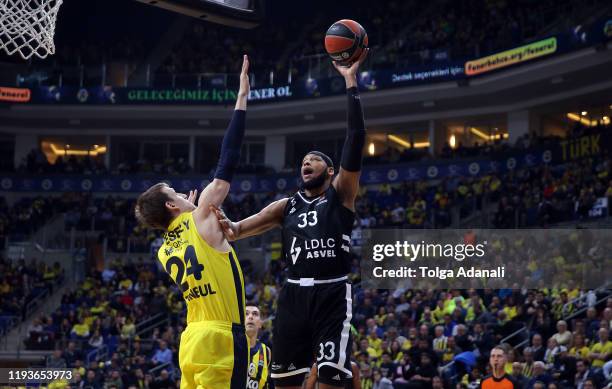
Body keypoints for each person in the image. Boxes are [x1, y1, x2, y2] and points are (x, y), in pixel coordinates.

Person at [213, 49, 369, 389]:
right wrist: (226, 224)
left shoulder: (341, 193)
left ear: (329, 171)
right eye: (303, 161)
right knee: (284, 383)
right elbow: (238, 231)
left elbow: (355, 140)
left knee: (330, 380)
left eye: (314, 160)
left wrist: (350, 82)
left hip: (331, 294)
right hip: (294, 296)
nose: (306, 163)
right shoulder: (286, 206)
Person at [135, 55, 251, 389]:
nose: (185, 193)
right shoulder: (201, 214)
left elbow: (192, 238)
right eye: (175, 192)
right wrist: (241, 98)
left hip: (191, 340)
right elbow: (227, 161)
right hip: (222, 337)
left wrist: (191, 210)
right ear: (172, 204)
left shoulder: (163, 250)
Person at [246, 305, 272, 389]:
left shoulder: (267, 352)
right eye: (246, 314)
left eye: (255, 314)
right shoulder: (230, 346)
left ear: (260, 323)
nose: (250, 317)